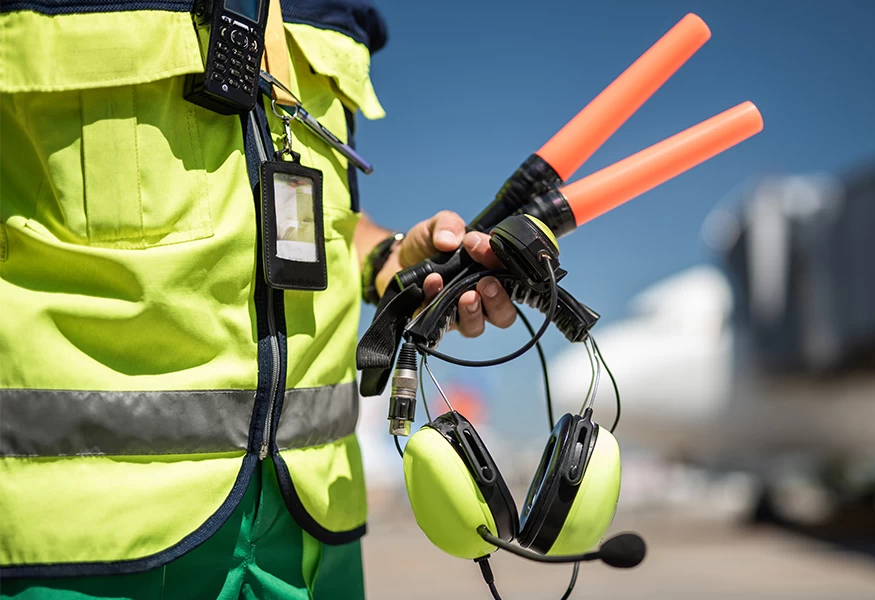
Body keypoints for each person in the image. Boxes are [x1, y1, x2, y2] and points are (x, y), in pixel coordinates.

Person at [0, 0, 515, 597]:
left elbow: (320, 219)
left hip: (316, 534)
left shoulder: (329, 13)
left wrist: (390, 260)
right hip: (79, 542)